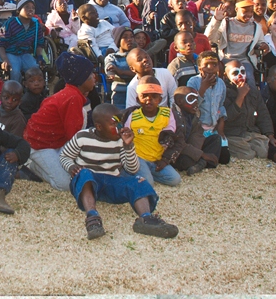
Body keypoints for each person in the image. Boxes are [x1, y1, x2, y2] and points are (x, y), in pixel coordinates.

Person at [60, 103, 178, 240]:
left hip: (112, 181)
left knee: (138, 181)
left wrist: (128, 147)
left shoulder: (121, 141)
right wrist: (71, 166)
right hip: (89, 182)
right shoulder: (82, 137)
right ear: (99, 127)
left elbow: (132, 169)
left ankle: (146, 219)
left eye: (120, 123)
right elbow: (64, 156)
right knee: (84, 173)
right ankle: (92, 217)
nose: (120, 127)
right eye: (114, 124)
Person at [24, 52, 97, 191]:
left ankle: (43, 164)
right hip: (39, 145)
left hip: (56, 141)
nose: (94, 77)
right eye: (90, 76)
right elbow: (74, 136)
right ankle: (31, 166)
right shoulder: (73, 97)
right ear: (81, 80)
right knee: (66, 184)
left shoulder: (72, 93)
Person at [122, 77, 181, 186]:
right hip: (138, 158)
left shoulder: (168, 114)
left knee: (175, 179)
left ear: (160, 99)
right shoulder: (131, 115)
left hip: (157, 159)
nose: (149, 100)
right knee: (148, 183)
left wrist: (165, 160)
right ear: (137, 99)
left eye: (154, 96)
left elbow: (177, 137)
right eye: (144, 96)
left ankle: (145, 173)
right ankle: (140, 173)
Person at [222, 60, 276, 160]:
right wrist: (240, 96)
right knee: (247, 154)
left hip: (250, 132)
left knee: (263, 152)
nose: (240, 75)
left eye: (242, 72)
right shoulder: (224, 91)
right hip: (232, 134)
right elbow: (228, 117)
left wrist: (270, 135)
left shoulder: (253, 91)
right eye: (235, 73)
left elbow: (263, 114)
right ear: (226, 76)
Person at [205, 0, 265, 86]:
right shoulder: (226, 23)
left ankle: (252, 95)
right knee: (226, 80)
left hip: (245, 60)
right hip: (227, 59)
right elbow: (209, 38)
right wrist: (217, 20)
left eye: (251, 11)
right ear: (237, 9)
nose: (249, 14)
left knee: (249, 79)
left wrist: (264, 45)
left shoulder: (256, 27)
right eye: (245, 11)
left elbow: (261, 41)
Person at [168, 87, 223, 176]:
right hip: (178, 151)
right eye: (191, 99)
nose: (196, 102)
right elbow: (178, 143)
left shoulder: (193, 116)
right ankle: (202, 162)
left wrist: (198, 153)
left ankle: (200, 163)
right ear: (179, 101)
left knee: (216, 139)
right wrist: (201, 154)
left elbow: (197, 136)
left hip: (191, 148)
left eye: (196, 99)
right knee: (186, 161)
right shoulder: (173, 118)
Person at [187, 51, 230, 164]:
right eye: (206, 65)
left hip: (213, 129)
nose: (210, 68)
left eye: (214, 65)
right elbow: (191, 106)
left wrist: (220, 127)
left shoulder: (221, 83)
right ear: (199, 68)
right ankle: (202, 160)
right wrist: (203, 88)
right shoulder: (193, 82)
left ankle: (205, 158)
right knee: (195, 156)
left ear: (218, 67)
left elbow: (221, 106)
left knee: (224, 159)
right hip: (198, 129)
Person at [0, 0, 45, 83]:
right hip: (10, 52)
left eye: (33, 8)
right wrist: (5, 60)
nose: (31, 9)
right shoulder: (11, 23)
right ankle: (15, 89)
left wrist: (40, 56)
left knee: (35, 70)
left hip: (25, 53)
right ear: (19, 10)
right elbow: (0, 43)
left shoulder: (36, 24)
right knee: (15, 72)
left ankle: (31, 89)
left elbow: (39, 43)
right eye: (27, 7)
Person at [105, 26, 136, 109]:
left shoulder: (138, 56)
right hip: (119, 96)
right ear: (118, 41)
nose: (129, 39)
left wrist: (121, 72)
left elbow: (140, 73)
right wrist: (111, 72)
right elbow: (109, 66)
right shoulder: (112, 57)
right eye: (125, 37)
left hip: (136, 95)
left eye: (131, 37)